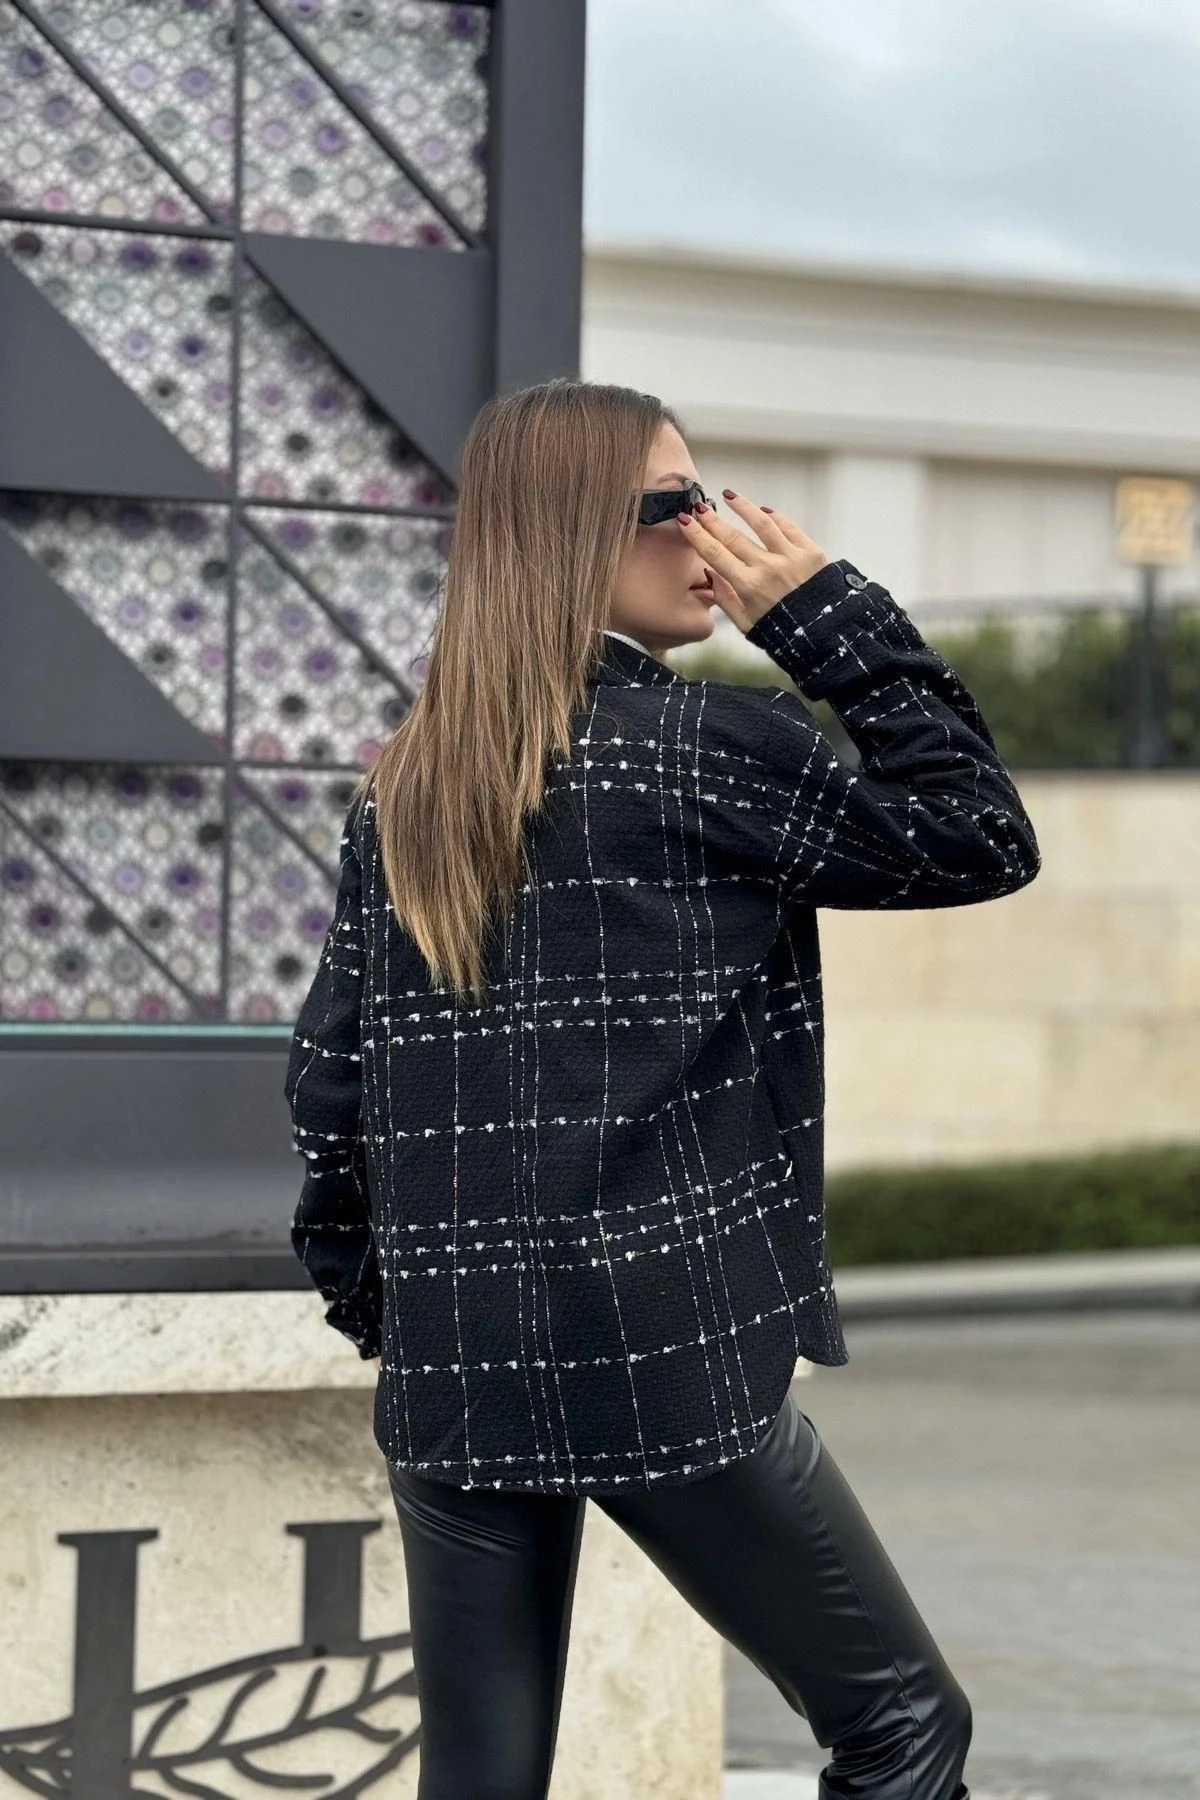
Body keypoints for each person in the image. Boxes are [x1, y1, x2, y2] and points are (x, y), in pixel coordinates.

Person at [284, 378, 1041, 1800]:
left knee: (480, 1780)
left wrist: (397, 1306)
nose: (714, 532)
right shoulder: (707, 748)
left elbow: (332, 1085)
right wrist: (824, 619)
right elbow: (979, 834)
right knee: (903, 1727)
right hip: (663, 1340)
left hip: (457, 1350)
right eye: (675, 502)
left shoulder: (411, 785)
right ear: (580, 530)